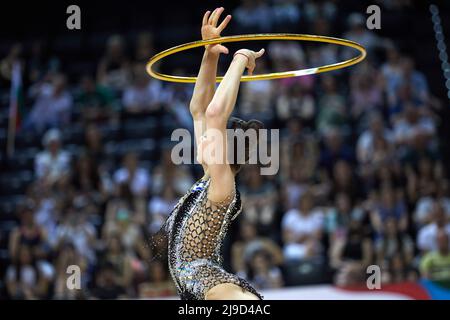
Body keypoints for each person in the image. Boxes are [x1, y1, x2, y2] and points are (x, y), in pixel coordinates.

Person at [158, 8, 265, 300]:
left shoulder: (221, 181)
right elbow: (199, 107)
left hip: (205, 278)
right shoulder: (210, 175)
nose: (201, 138)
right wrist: (211, 52)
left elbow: (215, 112)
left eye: (211, 137)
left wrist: (241, 57)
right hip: (193, 284)